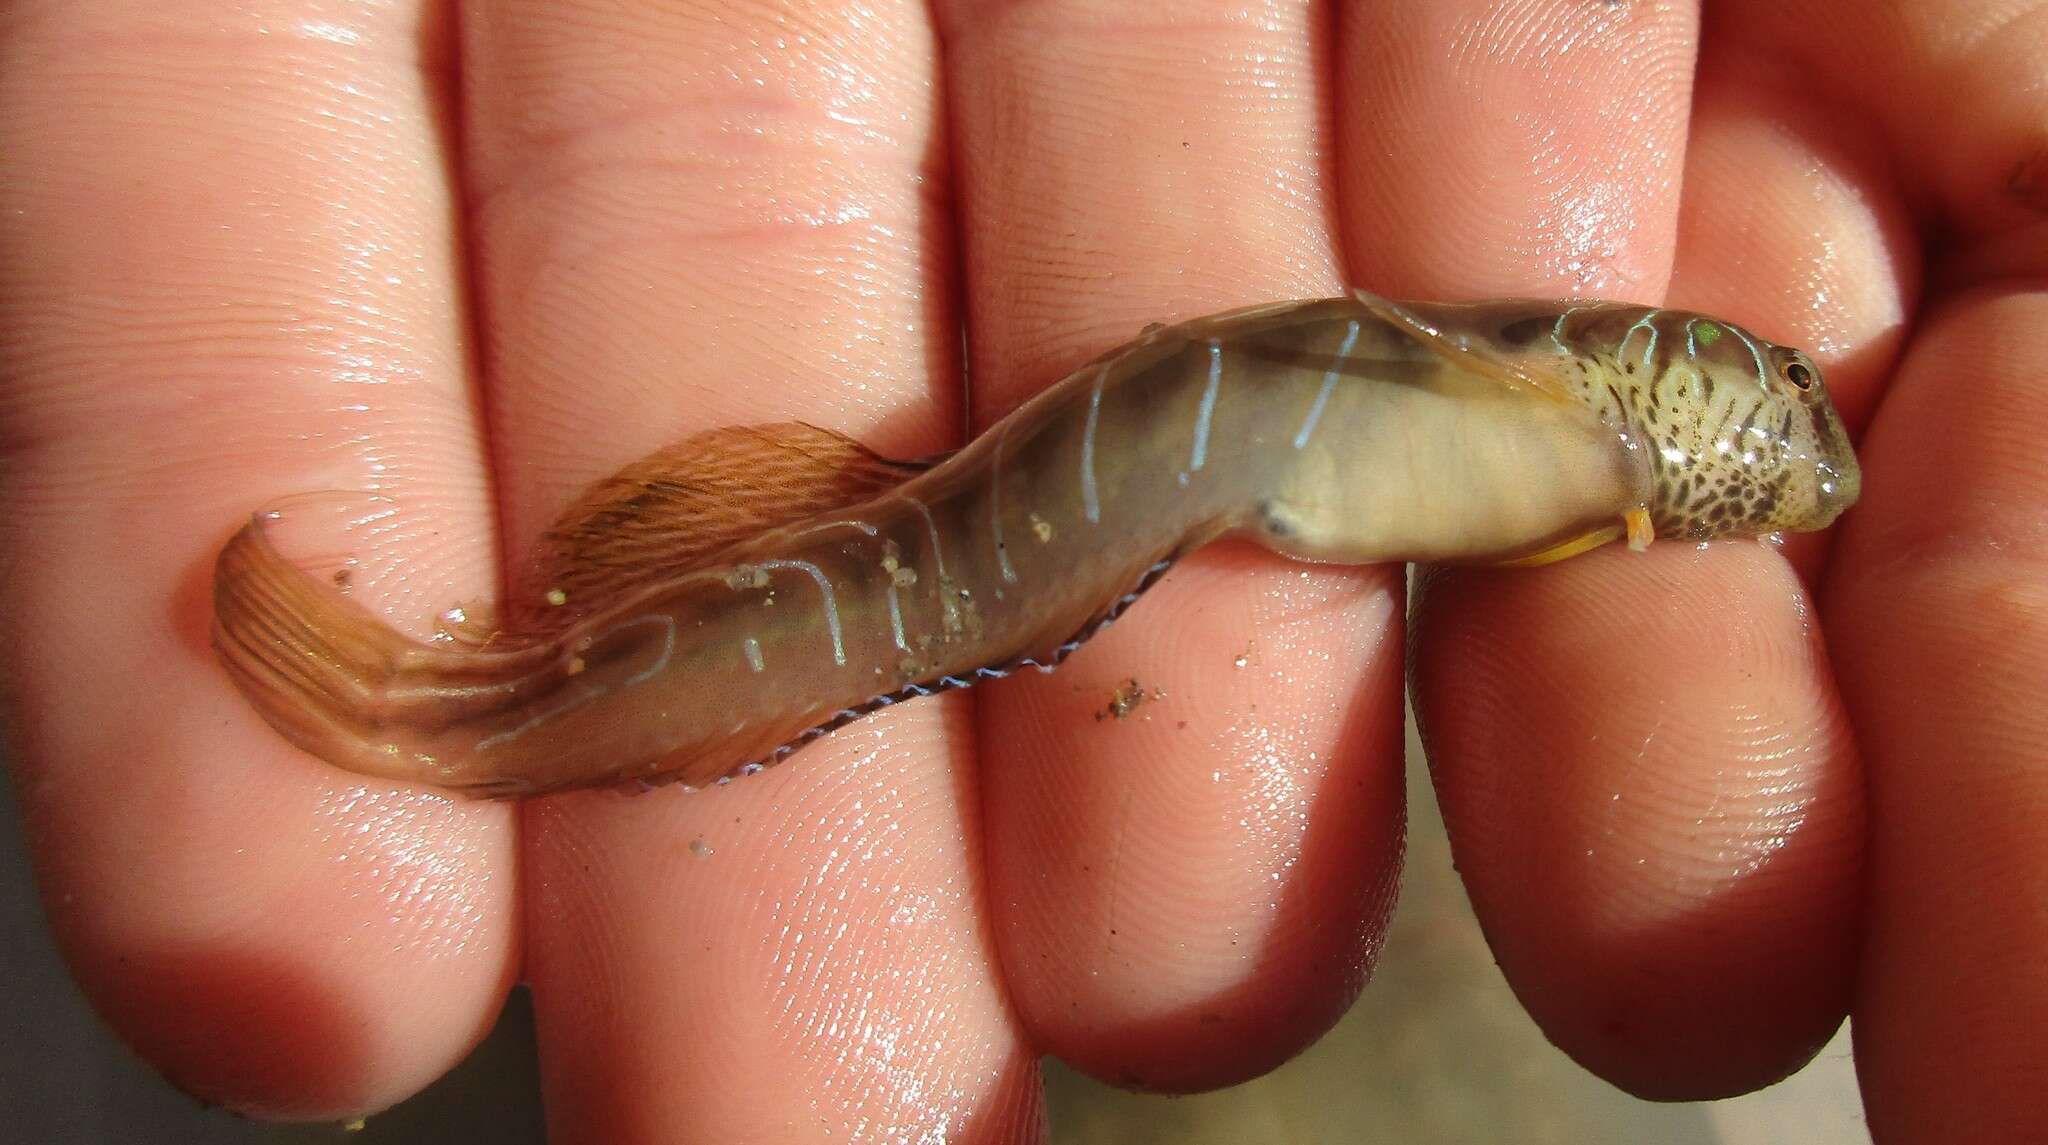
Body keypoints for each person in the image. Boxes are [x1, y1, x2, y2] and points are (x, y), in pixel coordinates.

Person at [1, 2, 2040, 1140]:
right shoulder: (1567, 394)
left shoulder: (1590, 474)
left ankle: (461, 714)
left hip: (1181, 524)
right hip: (1092, 493)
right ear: (1663, 377)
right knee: (898, 605)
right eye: (1761, 396)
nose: (1783, 437)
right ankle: (447, 709)